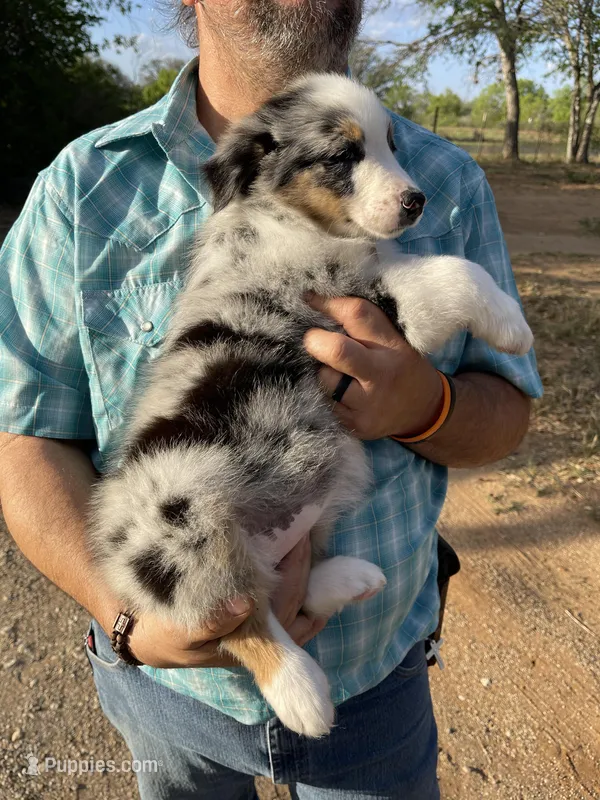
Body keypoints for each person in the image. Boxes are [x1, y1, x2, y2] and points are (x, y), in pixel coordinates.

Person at [0, 1, 542, 798]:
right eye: (355, 157)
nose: (397, 177)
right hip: (164, 695)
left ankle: (302, 587)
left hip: (375, 682)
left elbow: (509, 413)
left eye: (385, 149)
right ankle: (261, 634)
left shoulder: (451, 180)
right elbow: (24, 439)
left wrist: (427, 407)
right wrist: (132, 624)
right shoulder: (83, 189)